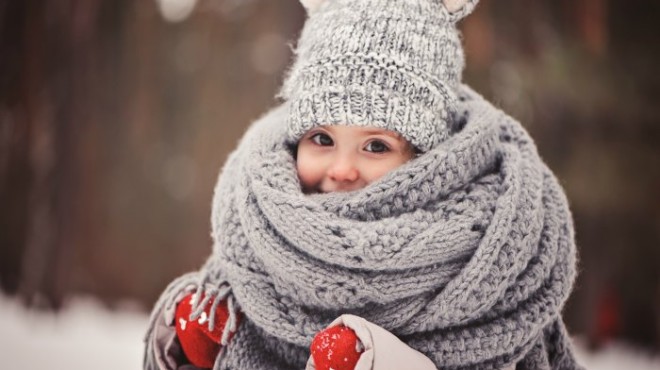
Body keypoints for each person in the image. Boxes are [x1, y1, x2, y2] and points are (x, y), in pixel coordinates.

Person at [144, 0, 583, 369]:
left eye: (375, 145)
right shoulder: (261, 230)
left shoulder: (500, 252)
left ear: (430, 157)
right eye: (321, 139)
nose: (342, 168)